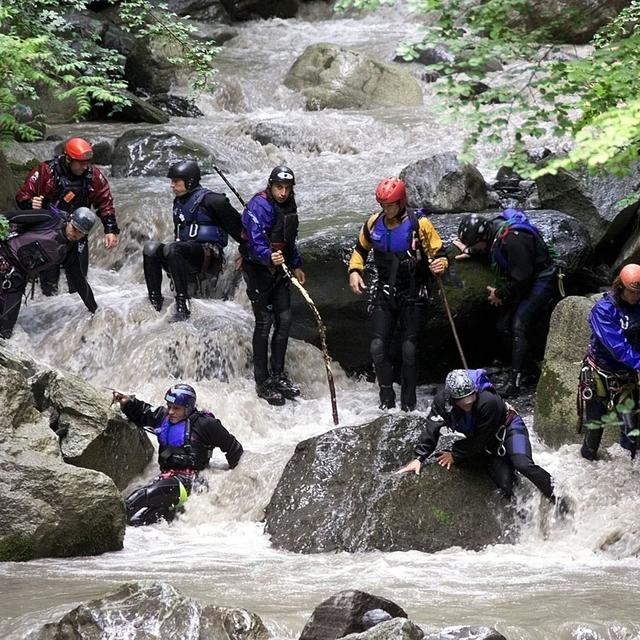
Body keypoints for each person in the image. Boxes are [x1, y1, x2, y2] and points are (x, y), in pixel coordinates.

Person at [348, 178, 448, 411]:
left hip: (413, 295)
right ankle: (386, 399)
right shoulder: (374, 223)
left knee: (409, 349)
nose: (387, 209)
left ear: (401, 202)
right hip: (385, 293)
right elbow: (360, 250)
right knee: (377, 347)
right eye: (383, 204)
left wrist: (440, 264)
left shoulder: (419, 224)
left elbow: (439, 253)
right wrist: (354, 271)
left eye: (391, 204)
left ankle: (408, 404)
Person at [397, 369, 563, 508]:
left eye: (471, 398)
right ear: (452, 398)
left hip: (509, 428)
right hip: (487, 443)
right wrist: (419, 457)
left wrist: (455, 454)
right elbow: (432, 427)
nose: (468, 404)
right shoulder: (442, 403)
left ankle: (558, 496)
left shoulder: (488, 402)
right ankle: (529, 512)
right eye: (463, 402)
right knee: (506, 484)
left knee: (522, 464)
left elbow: (480, 439)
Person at [454, 209, 558, 397]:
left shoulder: (513, 240)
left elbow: (523, 278)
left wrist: (499, 293)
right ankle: (528, 367)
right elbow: (489, 252)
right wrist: (471, 251)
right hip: (523, 277)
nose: (475, 247)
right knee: (502, 326)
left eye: (474, 245)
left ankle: (516, 382)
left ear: (483, 237)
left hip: (540, 278)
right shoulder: (493, 233)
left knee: (518, 325)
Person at [112, 383, 243, 526]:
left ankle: (110, 525)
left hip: (191, 484)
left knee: (141, 496)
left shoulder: (206, 424)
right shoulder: (163, 417)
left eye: (176, 408)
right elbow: (143, 412)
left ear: (187, 409)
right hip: (169, 480)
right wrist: (127, 402)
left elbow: (233, 448)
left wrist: (234, 478)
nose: (171, 412)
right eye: (169, 406)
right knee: (139, 521)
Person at [15, 137, 119, 295]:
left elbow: (105, 201)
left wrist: (110, 229)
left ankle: (77, 314)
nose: (85, 166)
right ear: (68, 159)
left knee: (78, 286)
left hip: (78, 234)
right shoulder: (45, 171)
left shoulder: (93, 176)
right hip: (49, 235)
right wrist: (30, 203)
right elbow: (23, 196)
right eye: (81, 163)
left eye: (87, 162)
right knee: (49, 288)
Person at [143, 160, 244, 322]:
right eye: (171, 181)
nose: (172, 185)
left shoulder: (214, 201)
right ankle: (155, 300)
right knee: (150, 248)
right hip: (184, 254)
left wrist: (245, 251)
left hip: (208, 256)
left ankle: (183, 305)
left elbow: (241, 231)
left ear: (189, 181)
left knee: (173, 249)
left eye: (176, 181)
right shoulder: (179, 201)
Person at [240, 165, 305, 406]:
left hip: (280, 270)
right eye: (279, 187)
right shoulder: (259, 205)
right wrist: (268, 256)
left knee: (285, 319)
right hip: (257, 269)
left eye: (287, 188)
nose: (283, 193)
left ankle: (278, 374)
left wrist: (295, 264)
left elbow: (290, 240)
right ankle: (262, 380)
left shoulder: (290, 205)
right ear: (271, 185)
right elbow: (255, 240)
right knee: (264, 323)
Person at [0, 207, 98, 339]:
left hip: (16, 280)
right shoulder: (48, 218)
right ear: (70, 220)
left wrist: (95, 310)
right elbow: (10, 216)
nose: (75, 235)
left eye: (80, 233)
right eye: (74, 229)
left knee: (5, 332)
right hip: (3, 256)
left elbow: (79, 280)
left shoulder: (69, 251)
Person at [578, 264, 640, 461]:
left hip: (627, 379)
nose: (636, 296)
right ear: (620, 287)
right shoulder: (603, 311)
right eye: (633, 292)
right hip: (600, 376)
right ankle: (587, 465)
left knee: (631, 433)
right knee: (594, 431)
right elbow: (617, 347)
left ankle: (627, 476)